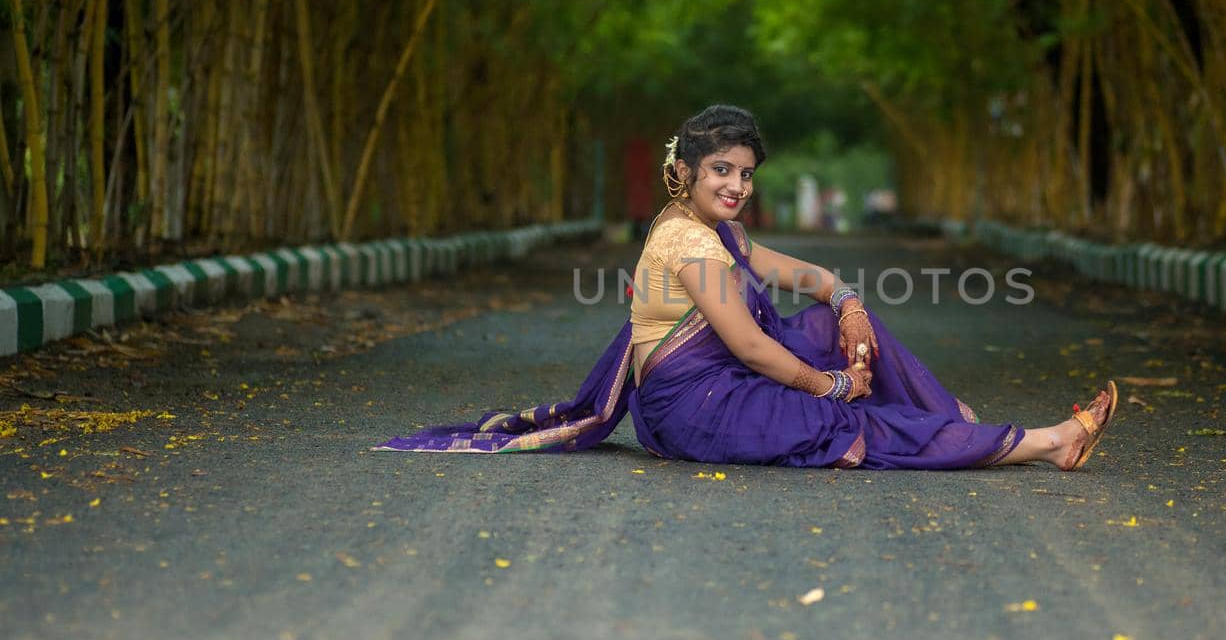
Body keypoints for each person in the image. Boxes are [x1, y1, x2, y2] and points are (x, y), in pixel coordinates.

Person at [377, 105, 1116, 470]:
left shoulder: (724, 233)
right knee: (844, 429)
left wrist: (848, 300)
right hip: (696, 408)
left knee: (838, 324)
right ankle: (1043, 443)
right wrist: (831, 388)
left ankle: (950, 424)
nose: (736, 185)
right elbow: (752, 348)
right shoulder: (687, 240)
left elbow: (806, 277)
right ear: (687, 175)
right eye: (720, 172)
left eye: (745, 173)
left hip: (726, 382)